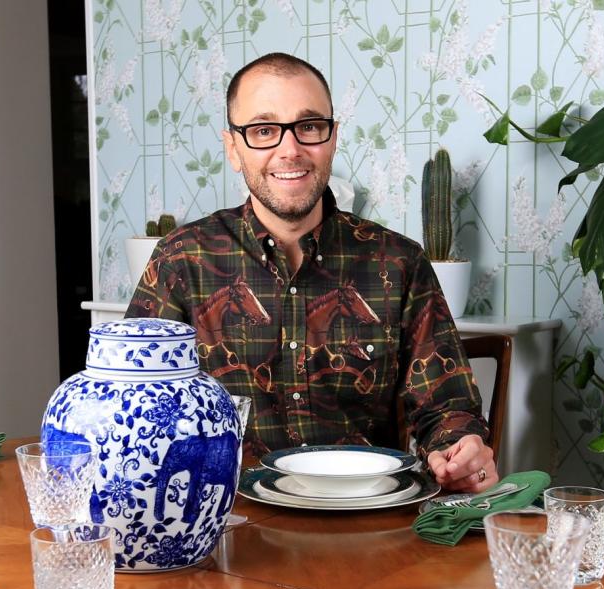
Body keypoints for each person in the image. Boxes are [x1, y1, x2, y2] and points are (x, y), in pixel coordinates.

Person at [126, 52, 498, 493]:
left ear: (333, 137)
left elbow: (446, 407)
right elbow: (133, 404)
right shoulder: (181, 259)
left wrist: (459, 448)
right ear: (233, 149)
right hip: (226, 524)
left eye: (309, 127)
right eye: (264, 130)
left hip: (366, 521)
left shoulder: (399, 263)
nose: (290, 149)